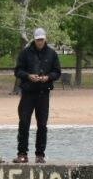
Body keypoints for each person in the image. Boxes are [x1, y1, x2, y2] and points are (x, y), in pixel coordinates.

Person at [13, 27, 61, 164]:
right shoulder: (25, 53)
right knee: (24, 123)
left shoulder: (52, 54)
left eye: (42, 39)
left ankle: (40, 155)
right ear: (34, 39)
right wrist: (28, 76)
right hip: (27, 93)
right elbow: (17, 71)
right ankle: (22, 154)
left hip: (43, 94)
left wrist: (48, 77)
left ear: (45, 39)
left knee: (42, 125)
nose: (40, 42)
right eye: (38, 39)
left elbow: (57, 72)